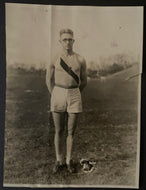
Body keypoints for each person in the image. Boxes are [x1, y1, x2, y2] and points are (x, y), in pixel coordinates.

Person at [46, 29, 87, 173]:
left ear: (74, 41)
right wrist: (55, 94)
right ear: (60, 42)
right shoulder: (54, 58)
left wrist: (75, 93)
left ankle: (69, 161)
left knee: (71, 132)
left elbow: (84, 81)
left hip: (74, 94)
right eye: (64, 40)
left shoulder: (80, 59)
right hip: (58, 92)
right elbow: (48, 79)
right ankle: (59, 160)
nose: (67, 42)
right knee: (59, 130)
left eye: (70, 39)